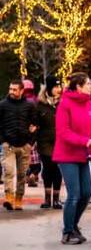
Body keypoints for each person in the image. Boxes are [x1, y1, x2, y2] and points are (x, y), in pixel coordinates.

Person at [54, 72, 91, 245]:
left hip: (85, 154)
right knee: (74, 194)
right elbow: (63, 132)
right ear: (78, 86)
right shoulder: (65, 104)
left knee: (87, 192)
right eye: (88, 83)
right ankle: (68, 231)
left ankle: (74, 225)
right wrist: (84, 141)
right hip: (67, 155)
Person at [0, 79, 38, 210]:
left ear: (22, 91)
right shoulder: (3, 105)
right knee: (9, 172)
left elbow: (35, 124)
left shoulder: (30, 105)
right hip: (8, 145)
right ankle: (9, 198)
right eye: (10, 89)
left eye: (14, 89)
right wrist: (3, 141)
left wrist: (30, 143)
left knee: (22, 175)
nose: (11, 92)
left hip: (24, 145)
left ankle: (18, 199)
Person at [35, 78, 63, 209]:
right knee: (48, 168)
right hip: (44, 141)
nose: (59, 89)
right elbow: (35, 123)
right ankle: (47, 198)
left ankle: (56, 199)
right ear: (49, 88)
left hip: (61, 141)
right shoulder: (40, 104)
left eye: (60, 87)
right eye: (56, 87)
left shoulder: (63, 104)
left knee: (58, 169)